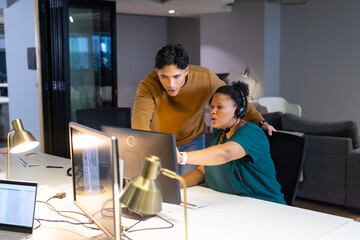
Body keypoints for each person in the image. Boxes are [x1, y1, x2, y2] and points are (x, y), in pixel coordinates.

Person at [132, 43, 276, 175]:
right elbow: (140, 117)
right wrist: (146, 144)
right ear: (157, 72)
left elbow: (234, 99)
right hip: (162, 142)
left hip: (192, 140)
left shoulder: (204, 78)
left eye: (176, 76)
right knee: (162, 190)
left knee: (190, 190)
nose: (171, 84)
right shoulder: (148, 84)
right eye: (164, 77)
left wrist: (260, 122)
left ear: (186, 70)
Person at [176, 81, 286, 204]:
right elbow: (202, 171)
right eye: (212, 106)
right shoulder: (220, 134)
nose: (212, 111)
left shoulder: (251, 132)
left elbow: (225, 154)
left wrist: (182, 157)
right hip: (228, 204)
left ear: (238, 111)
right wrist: (175, 183)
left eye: (219, 107)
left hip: (263, 206)